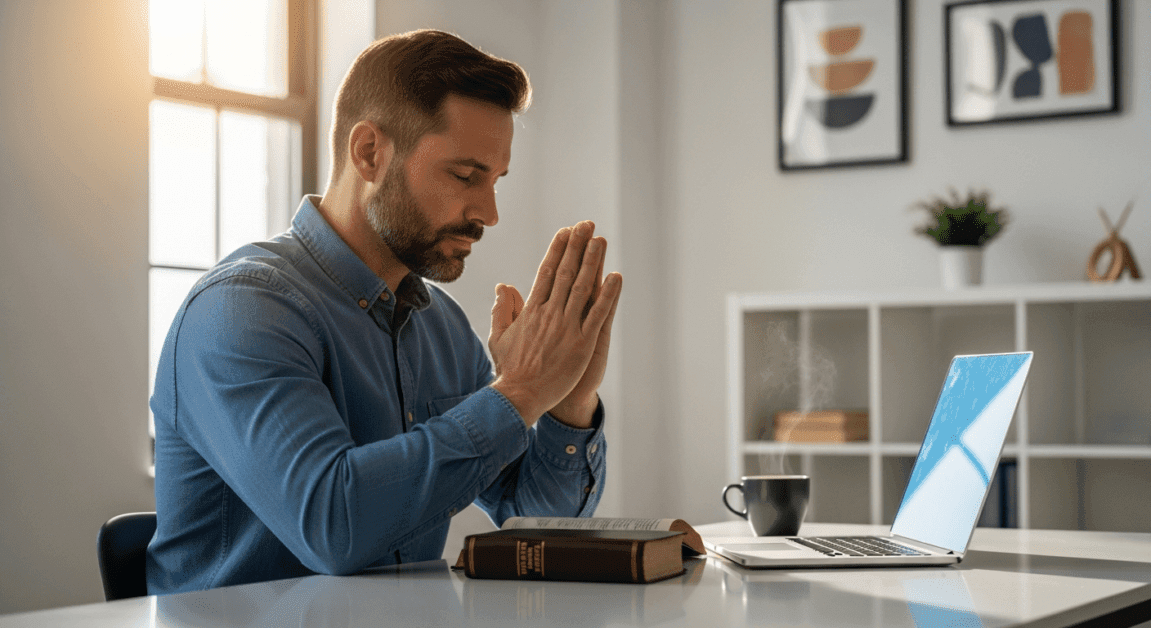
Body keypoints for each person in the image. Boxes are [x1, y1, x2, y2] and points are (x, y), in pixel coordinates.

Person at [146, 29, 623, 594]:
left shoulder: (440, 326)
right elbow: (334, 525)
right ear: (369, 152)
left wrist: (565, 402)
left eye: (496, 181)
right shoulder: (239, 311)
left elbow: (539, 524)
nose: (489, 213)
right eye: (466, 176)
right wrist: (519, 393)